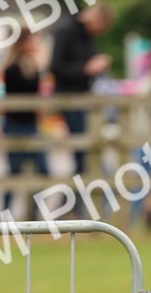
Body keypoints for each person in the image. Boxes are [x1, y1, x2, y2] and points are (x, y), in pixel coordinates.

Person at [50, 3, 113, 176]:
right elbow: (55, 67)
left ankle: (76, 198)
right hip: (70, 99)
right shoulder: (66, 31)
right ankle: (77, 197)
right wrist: (85, 69)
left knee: (87, 152)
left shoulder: (86, 35)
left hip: (84, 98)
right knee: (84, 152)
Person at [2, 29, 49, 217]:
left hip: (31, 126)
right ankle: (5, 215)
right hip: (15, 125)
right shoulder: (11, 67)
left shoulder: (31, 66)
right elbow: (24, 89)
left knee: (42, 170)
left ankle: (34, 215)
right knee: (14, 173)